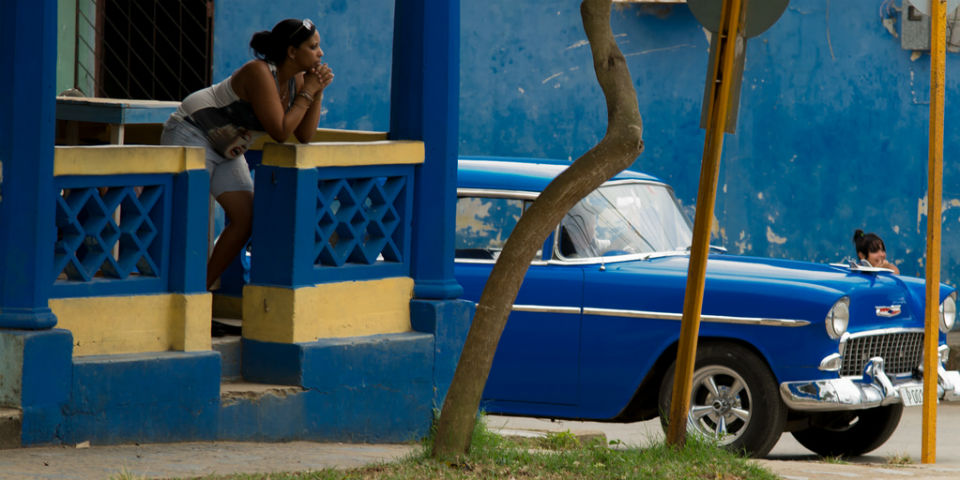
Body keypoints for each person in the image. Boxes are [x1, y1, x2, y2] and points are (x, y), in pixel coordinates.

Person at [161, 18, 334, 290]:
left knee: (246, 218)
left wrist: (316, 92)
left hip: (228, 147)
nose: (320, 53)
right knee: (188, 217)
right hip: (193, 132)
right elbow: (280, 131)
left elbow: (304, 135)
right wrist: (308, 93)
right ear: (291, 51)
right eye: (313, 47)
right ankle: (178, 290)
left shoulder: (299, 80)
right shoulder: (259, 72)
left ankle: (199, 290)